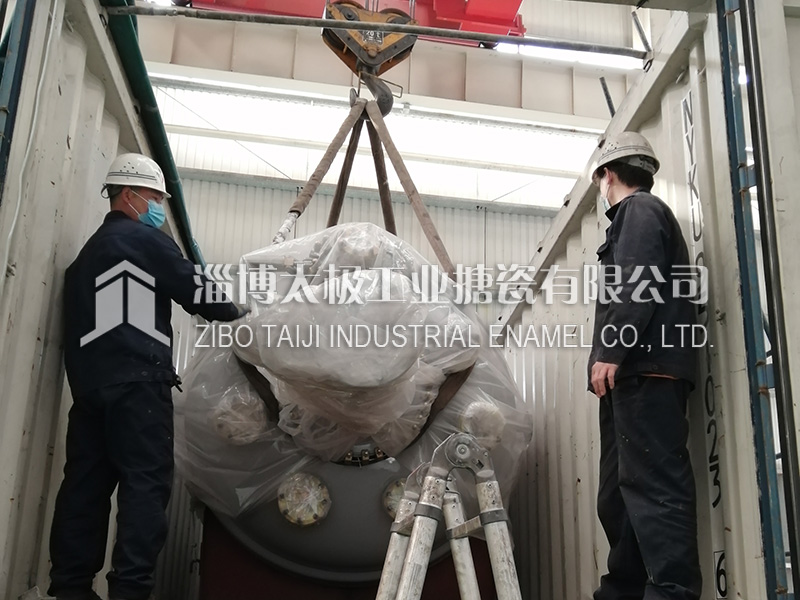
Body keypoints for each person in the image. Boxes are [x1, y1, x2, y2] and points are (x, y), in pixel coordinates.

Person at [49, 154, 246, 600]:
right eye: (155, 197)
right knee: (145, 484)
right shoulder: (144, 240)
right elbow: (197, 291)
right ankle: (130, 590)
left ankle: (70, 588)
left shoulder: (86, 258)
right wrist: (238, 313)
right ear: (129, 194)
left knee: (84, 487)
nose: (158, 206)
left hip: (90, 391)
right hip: (138, 387)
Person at [587, 132, 702, 600]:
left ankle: (672, 592)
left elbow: (639, 282)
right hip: (629, 380)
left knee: (655, 491)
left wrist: (611, 351)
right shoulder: (637, 216)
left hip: (646, 372)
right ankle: (623, 591)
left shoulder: (639, 210)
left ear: (607, 175)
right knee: (618, 497)